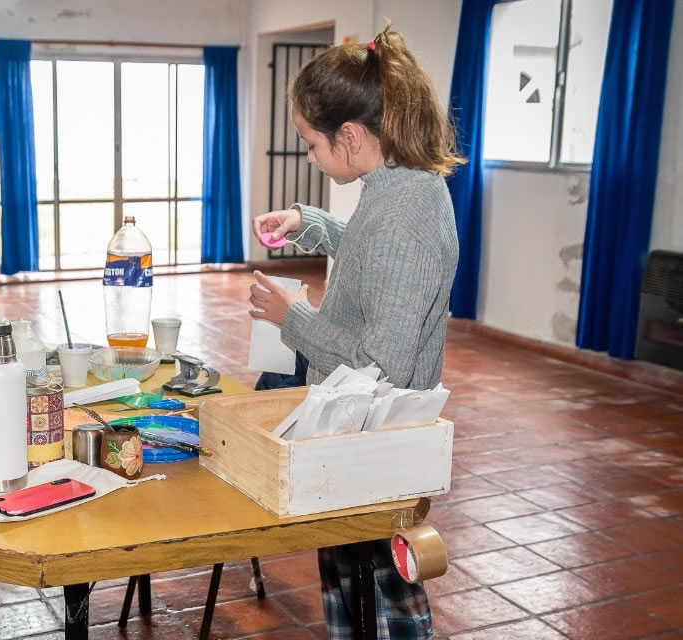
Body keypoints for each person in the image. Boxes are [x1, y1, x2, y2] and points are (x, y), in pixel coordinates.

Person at [249, 25, 461, 640]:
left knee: (380, 589)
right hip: (360, 428)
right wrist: (309, 224)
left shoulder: (406, 211)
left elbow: (381, 363)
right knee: (350, 576)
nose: (310, 157)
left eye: (311, 145)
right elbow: (373, 259)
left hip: (379, 434)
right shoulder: (396, 186)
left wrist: (292, 320)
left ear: (352, 135)